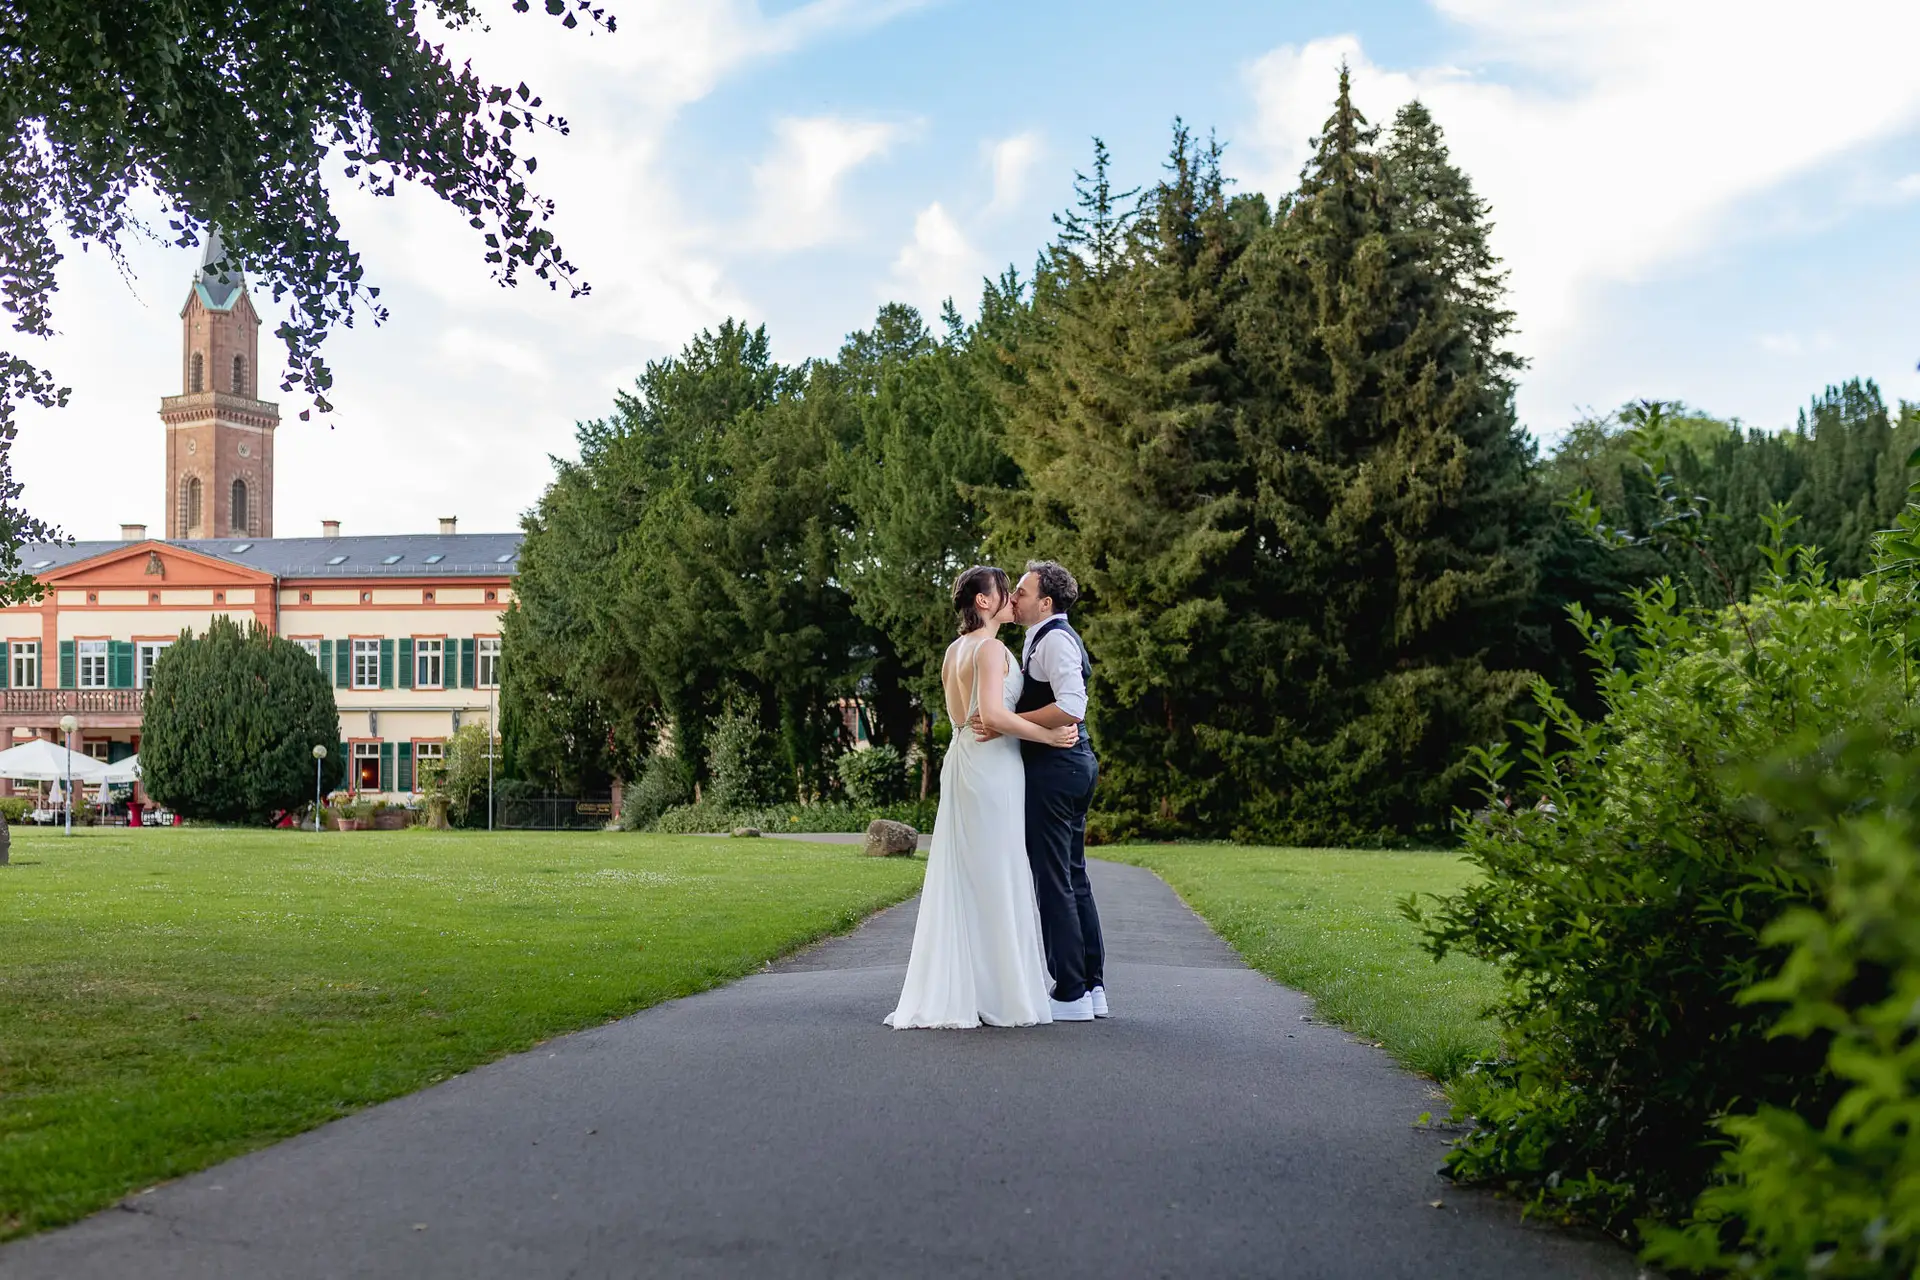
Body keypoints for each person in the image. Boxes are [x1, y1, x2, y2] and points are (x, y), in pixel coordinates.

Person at [884, 566, 1080, 1030]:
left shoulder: (955, 651)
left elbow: (962, 716)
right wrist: (1047, 736)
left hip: (962, 760)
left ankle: (969, 987)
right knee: (997, 872)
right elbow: (991, 714)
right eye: (1004, 589)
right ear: (984, 602)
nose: (1013, 595)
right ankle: (1001, 993)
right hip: (992, 767)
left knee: (969, 874)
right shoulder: (991, 649)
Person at [976, 560, 1106, 1022]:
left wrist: (1011, 726)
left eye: (1024, 592)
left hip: (1058, 769)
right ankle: (1092, 987)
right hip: (1069, 767)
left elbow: (1072, 705)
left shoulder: (1053, 640)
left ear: (1046, 603)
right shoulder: (1042, 636)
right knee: (1073, 876)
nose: (1015, 598)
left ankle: (1070, 991)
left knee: (1054, 879)